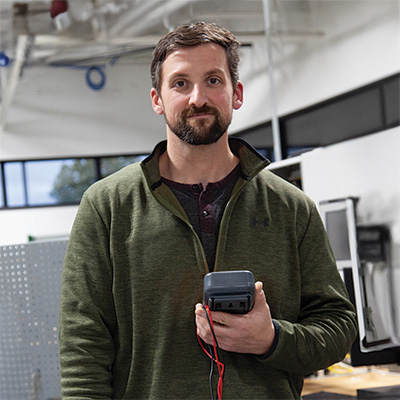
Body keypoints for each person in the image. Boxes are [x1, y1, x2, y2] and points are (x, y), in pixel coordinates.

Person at [59, 21, 357, 399]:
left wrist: (271, 339)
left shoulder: (291, 208)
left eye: (214, 80)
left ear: (237, 94)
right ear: (157, 99)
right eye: (180, 83)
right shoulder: (107, 207)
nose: (198, 97)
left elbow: (339, 326)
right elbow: (82, 345)